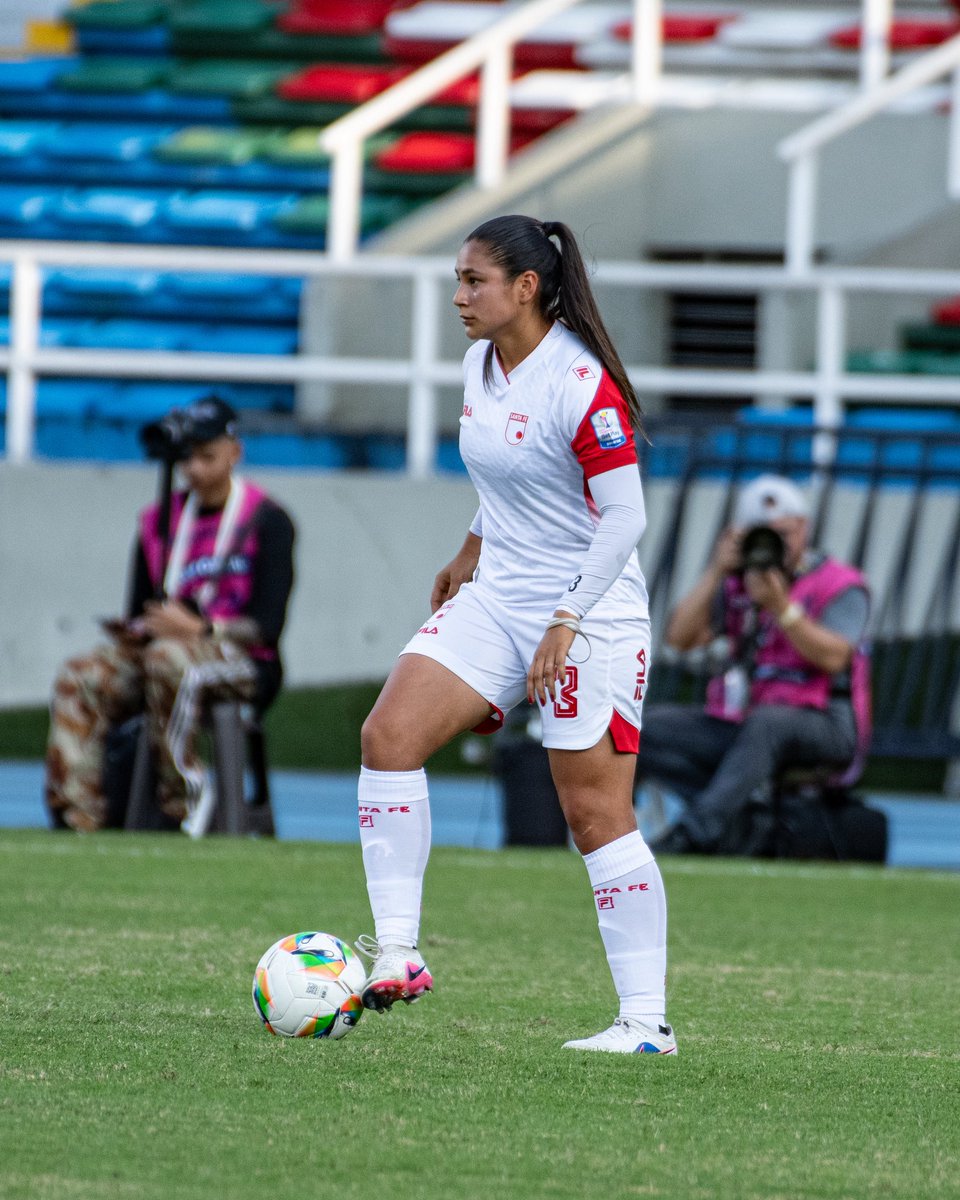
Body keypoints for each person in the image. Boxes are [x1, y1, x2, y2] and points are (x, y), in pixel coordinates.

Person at [354, 214, 676, 1055]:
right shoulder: (480, 363)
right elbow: (507, 479)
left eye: (474, 281)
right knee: (388, 736)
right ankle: (396, 954)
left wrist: (567, 618)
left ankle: (645, 1024)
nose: (459, 297)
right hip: (498, 596)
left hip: (590, 613)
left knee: (595, 814)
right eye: (458, 280)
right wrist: (469, 546)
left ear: (526, 288)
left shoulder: (580, 382)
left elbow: (624, 517)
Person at [44, 395, 296, 835]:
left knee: (168, 660)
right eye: (188, 458)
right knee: (80, 673)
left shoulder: (267, 520)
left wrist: (201, 629)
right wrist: (140, 627)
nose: (194, 469)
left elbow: (267, 627)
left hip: (244, 663)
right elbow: (138, 605)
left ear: (234, 454)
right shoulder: (156, 522)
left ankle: (185, 802)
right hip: (162, 653)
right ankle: (78, 813)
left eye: (207, 456)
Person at [640, 473, 871, 855]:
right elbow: (679, 639)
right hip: (748, 722)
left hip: (826, 723)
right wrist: (717, 570)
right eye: (763, 533)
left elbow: (834, 657)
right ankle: (736, 809)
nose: (777, 543)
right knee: (639, 729)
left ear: (804, 528)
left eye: (785, 532)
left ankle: (696, 833)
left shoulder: (841, 584)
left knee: (768, 724)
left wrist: (781, 607)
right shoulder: (737, 584)